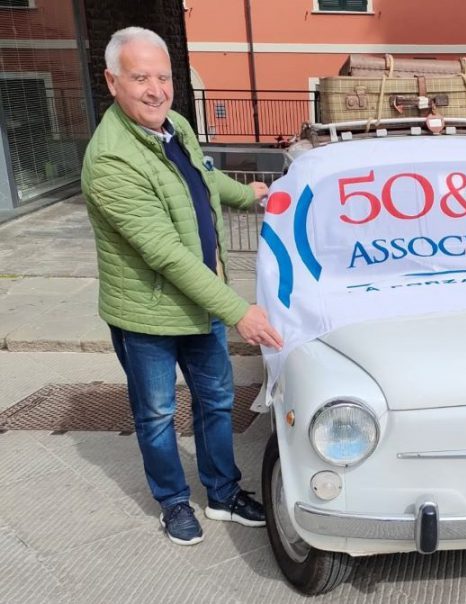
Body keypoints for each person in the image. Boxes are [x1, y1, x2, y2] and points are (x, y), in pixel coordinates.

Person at [82, 27, 284, 545]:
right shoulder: (111, 160)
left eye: (164, 76)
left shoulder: (173, 125)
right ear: (112, 81)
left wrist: (248, 194)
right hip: (148, 316)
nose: (156, 89)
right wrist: (239, 309)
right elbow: (166, 254)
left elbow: (200, 176)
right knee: (155, 414)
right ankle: (173, 502)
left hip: (202, 303)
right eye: (140, 77)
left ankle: (221, 493)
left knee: (216, 402)